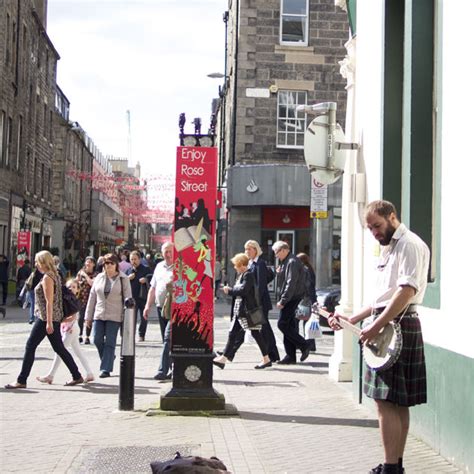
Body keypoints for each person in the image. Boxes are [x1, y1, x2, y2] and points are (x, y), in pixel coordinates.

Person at [328, 200, 430, 474]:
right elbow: (380, 300)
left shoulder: (408, 244)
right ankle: (394, 464)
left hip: (397, 325)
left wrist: (376, 326)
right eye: (369, 228)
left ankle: (390, 466)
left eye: (376, 225)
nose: (373, 232)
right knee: (395, 401)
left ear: (392, 217)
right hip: (391, 323)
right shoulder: (391, 247)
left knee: (386, 401)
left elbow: (405, 292)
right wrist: (354, 319)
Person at [4, 250, 84, 389]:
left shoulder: (48, 277)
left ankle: (21, 380)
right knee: (59, 348)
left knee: (30, 346)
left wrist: (48, 322)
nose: (35, 264)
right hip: (52, 317)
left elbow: (49, 301)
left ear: (43, 262)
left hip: (46, 318)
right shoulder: (56, 275)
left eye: (37, 261)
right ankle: (76, 375)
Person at [213, 253, 272, 370]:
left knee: (254, 334)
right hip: (240, 310)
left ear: (241, 265)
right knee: (234, 333)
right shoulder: (243, 274)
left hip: (246, 310)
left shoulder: (248, 275)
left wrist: (229, 290)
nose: (235, 267)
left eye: (236, 265)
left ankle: (266, 359)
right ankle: (224, 359)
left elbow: (244, 290)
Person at [36, 278, 94, 384]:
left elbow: (72, 317)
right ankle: (89, 373)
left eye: (74, 287)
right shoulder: (67, 299)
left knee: (60, 351)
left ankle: (51, 375)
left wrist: (60, 320)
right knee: (78, 352)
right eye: (68, 287)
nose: (71, 289)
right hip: (69, 328)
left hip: (72, 329)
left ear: (78, 290)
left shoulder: (74, 301)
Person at [84, 253, 132, 378]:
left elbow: (129, 299)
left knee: (110, 342)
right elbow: (92, 297)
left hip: (115, 315)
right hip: (99, 314)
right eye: (106, 263)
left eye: (111, 263)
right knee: (97, 339)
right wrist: (88, 317)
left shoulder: (123, 279)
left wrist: (128, 318)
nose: (109, 266)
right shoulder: (99, 277)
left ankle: (106, 368)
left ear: (116, 264)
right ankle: (109, 357)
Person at [272, 241, 311, 365]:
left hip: (292, 298)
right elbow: (287, 280)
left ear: (283, 250)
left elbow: (291, 283)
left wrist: (283, 300)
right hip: (292, 297)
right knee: (288, 327)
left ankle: (304, 345)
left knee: (282, 325)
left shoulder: (292, 262)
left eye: (276, 253)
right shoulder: (287, 261)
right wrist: (279, 273)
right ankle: (290, 356)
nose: (276, 256)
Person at [144, 241, 174, 380]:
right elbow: (153, 288)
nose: (168, 254)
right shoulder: (159, 266)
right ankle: (174, 369)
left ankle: (163, 370)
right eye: (165, 252)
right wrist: (147, 306)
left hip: (175, 309)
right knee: (166, 340)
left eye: (170, 251)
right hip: (160, 307)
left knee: (168, 339)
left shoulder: (180, 266)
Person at [127, 250, 150, 342]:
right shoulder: (128, 270)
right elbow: (122, 281)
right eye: (131, 259)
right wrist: (128, 278)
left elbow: (152, 278)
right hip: (132, 297)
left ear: (139, 259)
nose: (133, 261)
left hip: (143, 297)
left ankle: (141, 334)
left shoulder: (146, 269)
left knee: (144, 317)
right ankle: (131, 335)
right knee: (132, 317)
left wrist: (146, 279)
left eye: (135, 259)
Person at [297, 252, 317, 351]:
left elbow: (308, 286)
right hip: (308, 299)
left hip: (304, 300)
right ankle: (309, 344)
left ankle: (304, 343)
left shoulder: (305, 270)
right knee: (306, 321)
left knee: (299, 321)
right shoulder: (309, 269)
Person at [76, 257, 97, 344]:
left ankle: (87, 337)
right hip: (81, 298)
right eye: (87, 262)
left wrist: (85, 275)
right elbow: (76, 283)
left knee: (89, 318)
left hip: (91, 299)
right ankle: (79, 335)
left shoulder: (96, 274)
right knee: (80, 317)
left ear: (93, 264)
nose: (88, 264)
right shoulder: (80, 273)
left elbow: (92, 283)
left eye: (90, 262)